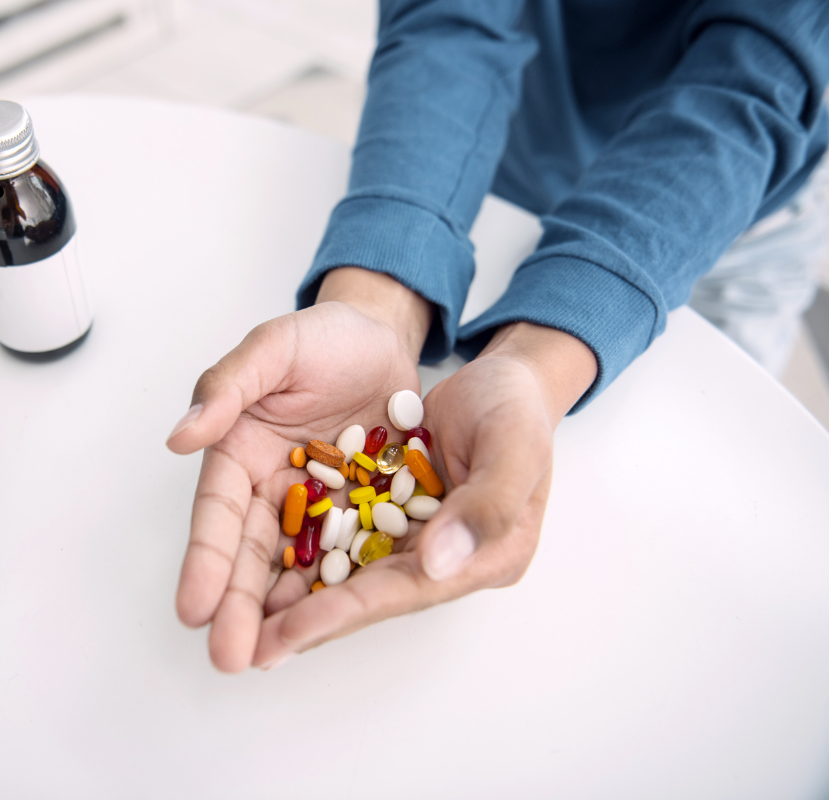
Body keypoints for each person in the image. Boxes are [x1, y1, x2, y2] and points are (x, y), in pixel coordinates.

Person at [165, 0, 829, 672]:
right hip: (513, 139)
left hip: (736, 214)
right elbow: (450, 19)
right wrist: (377, 298)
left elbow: (754, 83)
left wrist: (543, 364)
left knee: (707, 472)